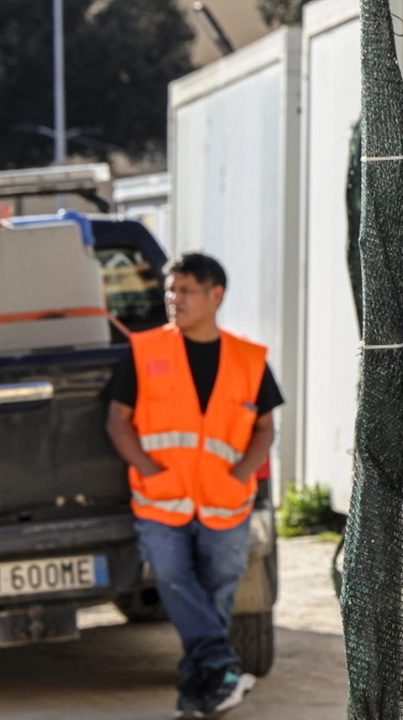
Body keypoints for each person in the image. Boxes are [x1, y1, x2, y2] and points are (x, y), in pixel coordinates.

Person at [105, 252, 283, 718]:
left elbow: (265, 426)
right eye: (170, 289)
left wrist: (243, 471)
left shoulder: (249, 359)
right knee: (172, 578)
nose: (173, 298)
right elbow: (117, 421)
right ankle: (223, 667)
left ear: (215, 295)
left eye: (184, 290)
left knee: (220, 586)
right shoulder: (144, 351)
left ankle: (199, 693)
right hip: (161, 498)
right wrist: (147, 468)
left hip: (225, 501)